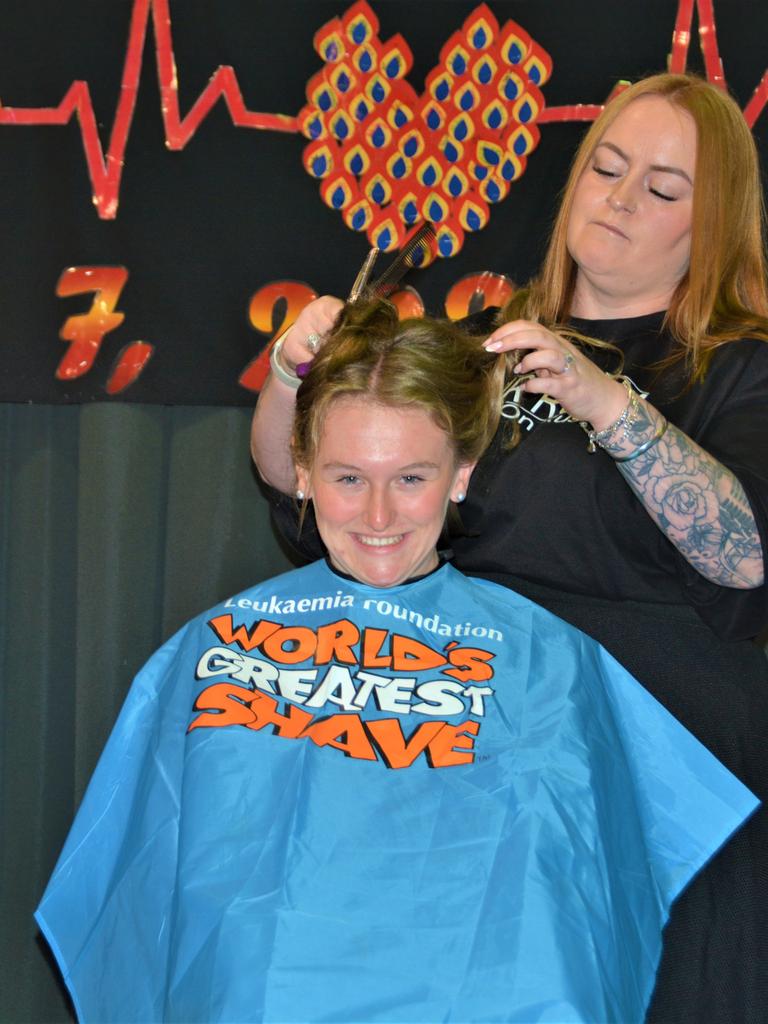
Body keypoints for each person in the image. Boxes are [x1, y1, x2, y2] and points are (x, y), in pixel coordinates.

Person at [36, 300, 755, 1023]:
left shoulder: (545, 660)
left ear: (462, 475)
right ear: (305, 472)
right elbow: (140, 887)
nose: (378, 519)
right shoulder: (220, 643)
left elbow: (578, 909)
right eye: (349, 479)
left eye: (411, 479)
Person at [250, 74, 768, 1023]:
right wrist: (291, 376)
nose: (616, 198)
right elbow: (316, 495)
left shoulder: (741, 365)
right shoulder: (482, 347)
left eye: (659, 188)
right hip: (483, 736)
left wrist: (609, 402)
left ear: (716, 223)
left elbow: (746, 553)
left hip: (665, 760)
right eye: (605, 168)